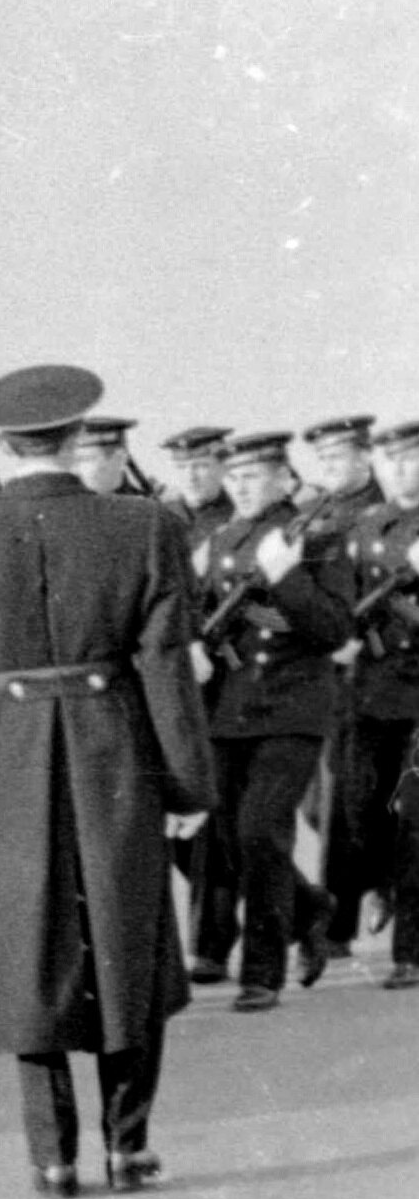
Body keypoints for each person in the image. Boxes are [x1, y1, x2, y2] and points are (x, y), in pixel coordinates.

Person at [0, 364, 213, 1198]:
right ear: (78, 437)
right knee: (126, 941)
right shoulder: (145, 527)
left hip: (11, 762)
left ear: (2, 447)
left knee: (26, 950)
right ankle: (128, 1145)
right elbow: (166, 671)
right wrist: (188, 789)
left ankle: (52, 1154)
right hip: (116, 753)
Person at [194, 430, 352, 1013]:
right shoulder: (221, 539)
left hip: (291, 707)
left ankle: (262, 972)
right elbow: (202, 613)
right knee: (230, 838)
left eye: (253, 476)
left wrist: (286, 576)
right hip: (230, 708)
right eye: (233, 476)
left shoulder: (318, 539)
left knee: (261, 831)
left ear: (284, 479)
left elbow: (335, 630)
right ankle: (309, 907)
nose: (239, 485)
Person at [302, 415, 391, 957]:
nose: (329, 467)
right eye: (323, 458)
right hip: (326, 673)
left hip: (376, 673)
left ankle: (337, 929)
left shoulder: (385, 509)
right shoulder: (315, 511)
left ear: (364, 457)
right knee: (320, 806)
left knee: (350, 802)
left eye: (338, 456)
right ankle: (383, 875)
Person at [347, 418, 419, 989]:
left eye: (410, 457)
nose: (398, 468)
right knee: (361, 807)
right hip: (374, 691)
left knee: (414, 817)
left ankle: (409, 952)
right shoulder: (368, 524)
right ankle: (385, 884)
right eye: (389, 459)